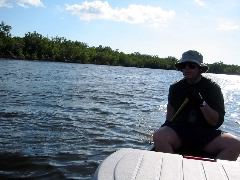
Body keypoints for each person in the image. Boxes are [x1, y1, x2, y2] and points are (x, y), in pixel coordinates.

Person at [153, 50, 240, 161]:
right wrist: (165, 128)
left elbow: (216, 122)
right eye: (183, 66)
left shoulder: (213, 88)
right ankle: (172, 168)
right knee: (159, 136)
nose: (187, 68)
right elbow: (170, 116)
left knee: (236, 144)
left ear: (200, 69)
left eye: (191, 66)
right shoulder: (175, 88)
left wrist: (201, 102)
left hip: (205, 133)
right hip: (180, 130)